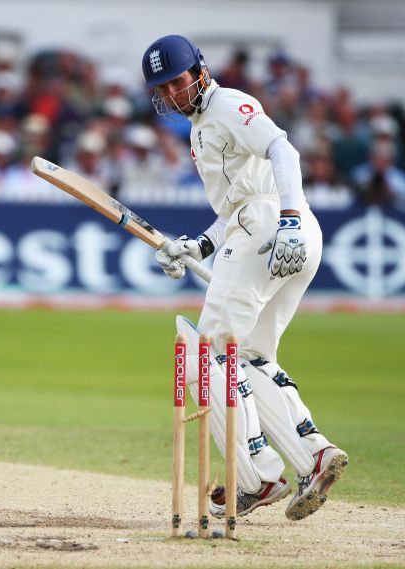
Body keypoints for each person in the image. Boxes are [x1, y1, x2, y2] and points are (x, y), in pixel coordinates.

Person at [142, 35, 347, 521]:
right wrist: (201, 245)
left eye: (177, 81)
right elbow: (237, 205)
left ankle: (257, 475)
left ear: (199, 70)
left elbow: (283, 151)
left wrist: (290, 220)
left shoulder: (228, 104)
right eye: (163, 87)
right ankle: (313, 456)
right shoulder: (199, 127)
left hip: (274, 226)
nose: (172, 93)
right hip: (273, 228)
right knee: (251, 355)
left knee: (205, 353)